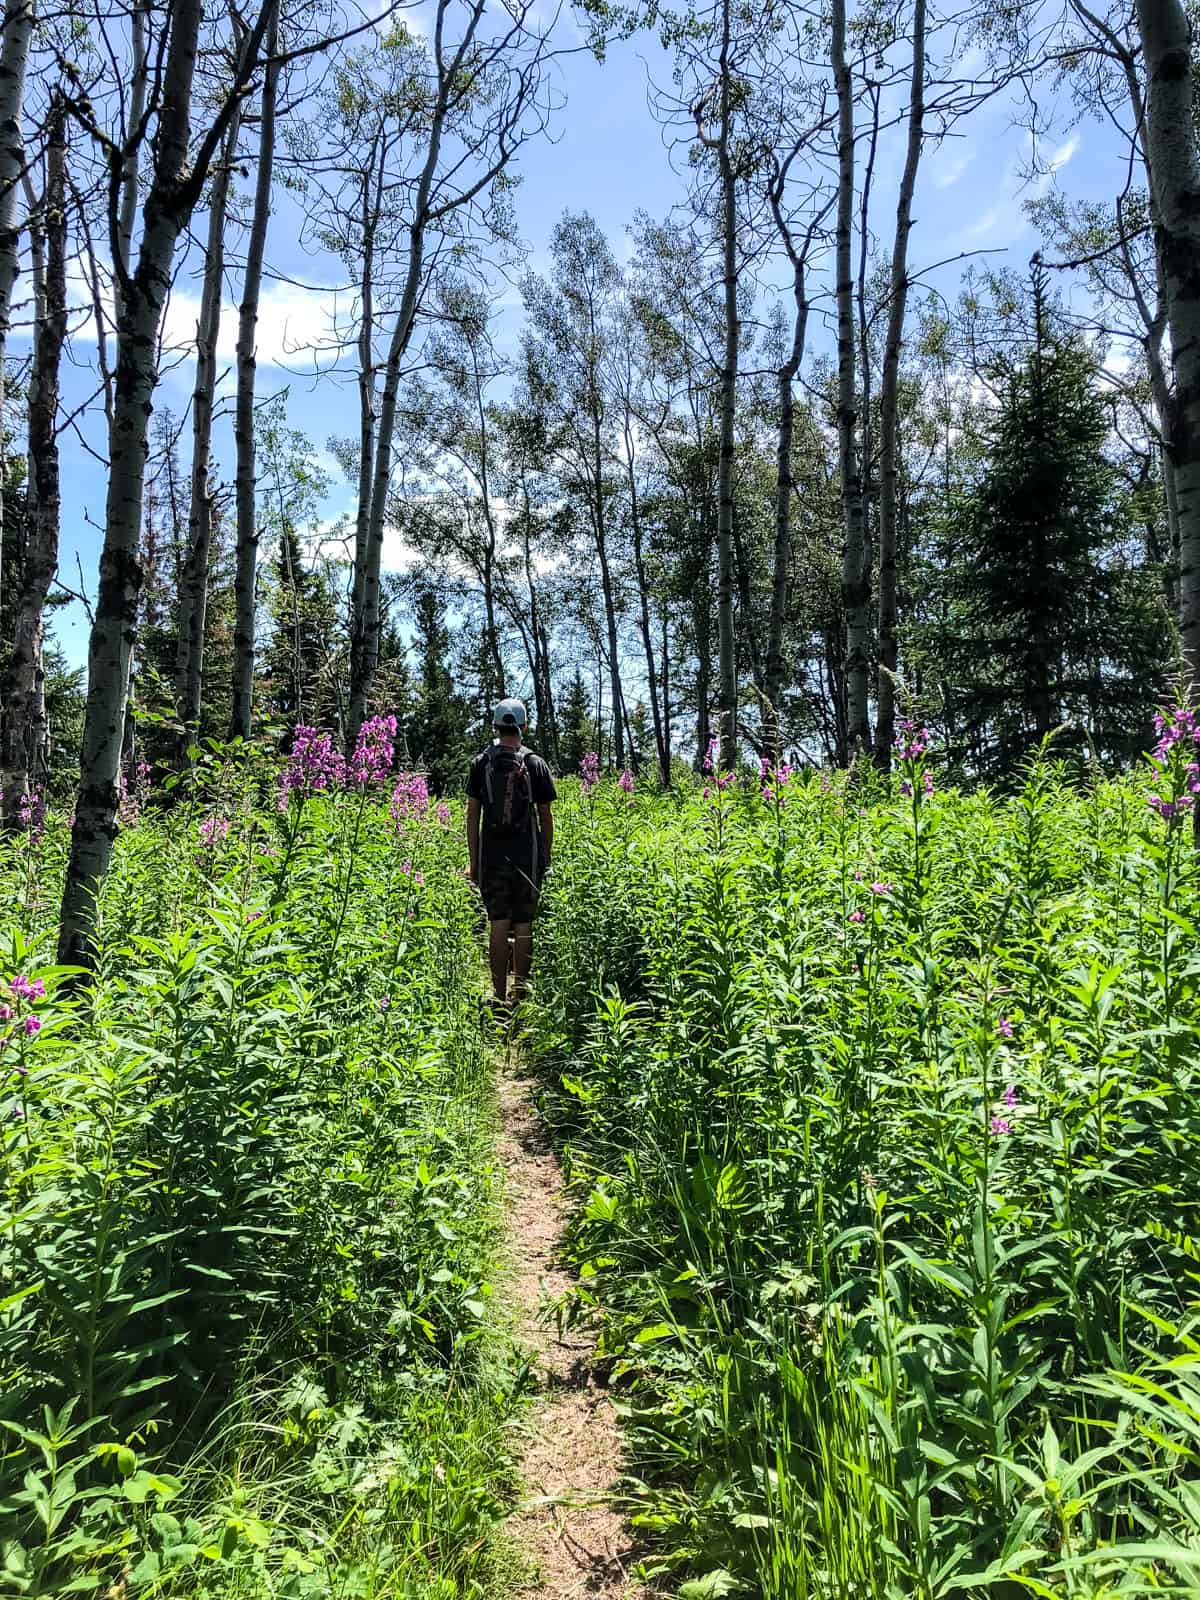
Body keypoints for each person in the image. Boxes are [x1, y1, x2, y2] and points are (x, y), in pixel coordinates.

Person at [466, 698, 556, 1009]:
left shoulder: (481, 763)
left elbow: (472, 816)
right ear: (524, 726)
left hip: (491, 856)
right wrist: (544, 858)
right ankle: (520, 999)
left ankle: (498, 996)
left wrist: (473, 861)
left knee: (498, 923)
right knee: (524, 924)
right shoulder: (535, 764)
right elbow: (545, 817)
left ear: (495, 726)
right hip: (526, 856)